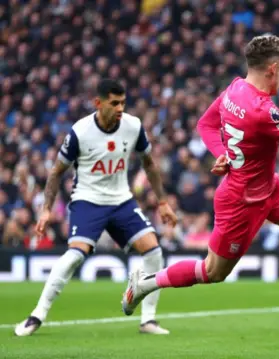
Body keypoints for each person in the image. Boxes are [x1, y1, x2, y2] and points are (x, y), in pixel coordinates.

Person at [121, 34, 279, 336]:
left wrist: (221, 153)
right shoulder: (264, 110)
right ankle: (145, 283)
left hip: (269, 186)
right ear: (273, 68)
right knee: (212, 272)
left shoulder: (234, 89)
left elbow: (205, 125)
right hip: (241, 199)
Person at [15, 79, 178, 336]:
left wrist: (163, 202)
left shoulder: (133, 126)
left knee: (154, 250)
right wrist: (46, 209)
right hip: (87, 200)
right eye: (114, 103)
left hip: (122, 200)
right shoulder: (80, 132)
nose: (120, 108)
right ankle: (37, 314)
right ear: (98, 103)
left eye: (123, 102)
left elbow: (149, 164)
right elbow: (56, 172)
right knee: (75, 255)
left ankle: (148, 320)